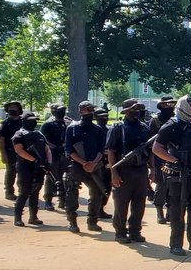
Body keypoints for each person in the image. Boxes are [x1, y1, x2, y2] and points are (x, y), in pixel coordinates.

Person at [152, 95, 191, 256]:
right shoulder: (171, 126)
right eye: (190, 105)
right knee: (177, 211)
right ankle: (176, 244)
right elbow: (157, 148)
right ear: (183, 106)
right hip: (178, 174)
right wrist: (173, 160)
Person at [105, 99, 152, 244]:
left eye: (137, 109)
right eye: (133, 109)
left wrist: (153, 170)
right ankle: (120, 232)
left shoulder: (144, 127)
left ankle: (135, 231)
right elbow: (111, 151)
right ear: (125, 111)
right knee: (121, 204)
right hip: (123, 170)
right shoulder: (117, 128)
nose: (136, 111)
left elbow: (150, 151)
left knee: (139, 203)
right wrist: (114, 173)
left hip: (141, 170)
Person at [63, 101, 107, 233]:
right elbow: (69, 149)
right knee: (71, 193)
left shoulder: (97, 129)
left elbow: (101, 148)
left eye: (92, 110)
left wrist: (93, 162)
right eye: (88, 110)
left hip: (95, 165)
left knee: (97, 193)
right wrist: (83, 162)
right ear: (81, 111)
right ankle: (72, 221)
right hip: (76, 165)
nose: (91, 112)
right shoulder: (72, 128)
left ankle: (92, 221)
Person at [11, 112, 49, 227]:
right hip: (25, 167)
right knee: (24, 192)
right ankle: (17, 217)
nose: (34, 122)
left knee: (35, 191)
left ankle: (33, 217)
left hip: (39, 167)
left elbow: (46, 148)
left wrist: (48, 162)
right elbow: (19, 150)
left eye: (35, 120)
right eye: (31, 120)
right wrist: (33, 160)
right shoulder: (19, 134)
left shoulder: (39, 134)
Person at [148, 97, 176, 223]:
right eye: (167, 104)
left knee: (173, 184)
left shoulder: (175, 119)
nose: (170, 106)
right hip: (159, 156)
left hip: (173, 155)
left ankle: (170, 210)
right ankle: (159, 210)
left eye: (172, 104)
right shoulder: (155, 120)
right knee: (162, 184)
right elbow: (150, 141)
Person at [40, 104, 69, 211]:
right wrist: (55, 147)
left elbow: (69, 137)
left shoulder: (67, 123)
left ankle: (62, 200)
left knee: (64, 178)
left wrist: (64, 146)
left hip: (64, 154)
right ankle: (48, 200)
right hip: (52, 154)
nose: (61, 113)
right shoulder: (47, 124)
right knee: (51, 177)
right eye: (59, 111)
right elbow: (44, 140)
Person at [0, 101, 24, 201]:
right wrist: (3, 154)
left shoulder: (23, 121)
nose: (12, 109)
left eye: (14, 107)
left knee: (23, 172)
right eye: (10, 108)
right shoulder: (5, 123)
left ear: (19, 109)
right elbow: (1, 140)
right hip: (10, 151)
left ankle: (23, 191)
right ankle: (9, 192)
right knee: (11, 172)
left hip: (23, 151)